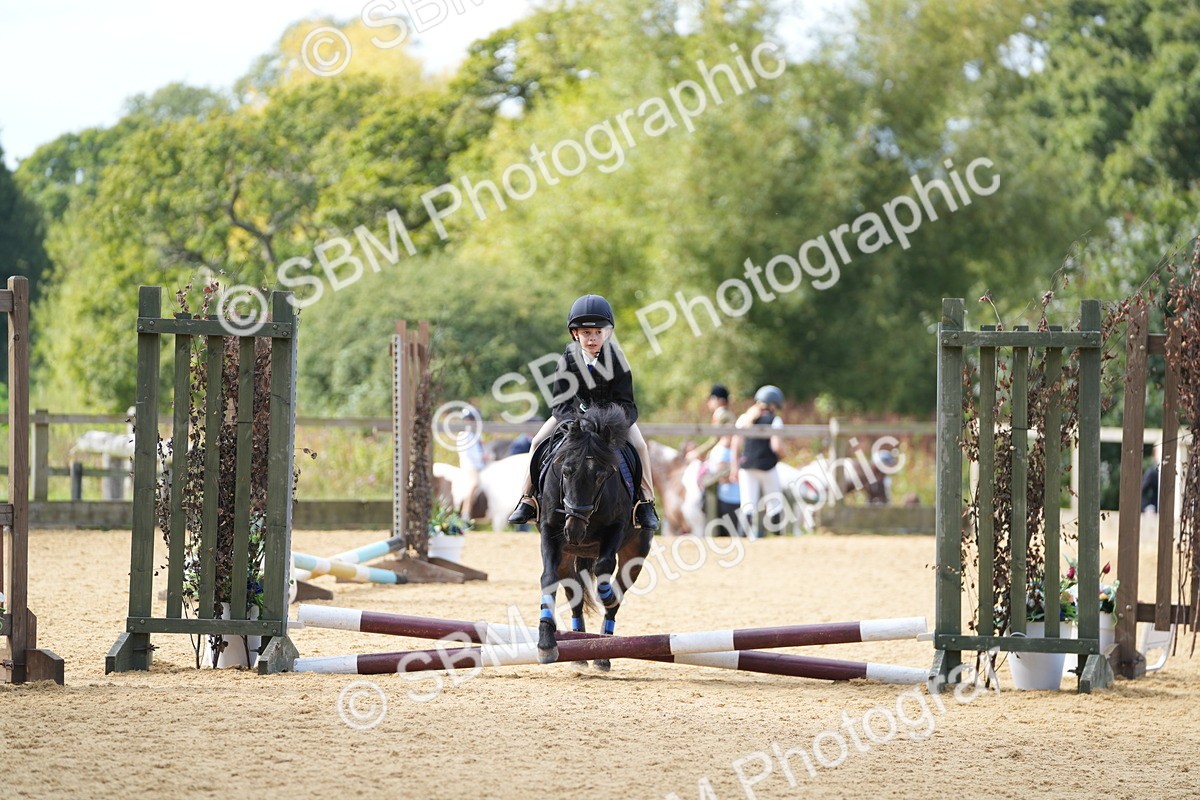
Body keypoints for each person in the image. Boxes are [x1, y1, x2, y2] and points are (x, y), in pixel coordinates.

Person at [507, 294, 659, 530]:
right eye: (587, 333)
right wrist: (576, 423)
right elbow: (560, 403)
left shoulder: (617, 359)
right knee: (537, 441)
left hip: (613, 419)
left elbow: (626, 402)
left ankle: (646, 502)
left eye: (599, 332)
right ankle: (527, 499)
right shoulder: (567, 359)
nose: (593, 338)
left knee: (640, 446)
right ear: (575, 334)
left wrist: (611, 423)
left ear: (607, 333)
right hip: (574, 418)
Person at [730, 385, 785, 538]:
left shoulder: (744, 418)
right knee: (774, 502)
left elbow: (736, 445)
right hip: (767, 466)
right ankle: (776, 535)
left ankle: (744, 537)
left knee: (748, 503)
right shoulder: (775, 420)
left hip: (747, 466)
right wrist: (783, 454)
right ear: (773, 404)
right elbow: (777, 446)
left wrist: (734, 467)